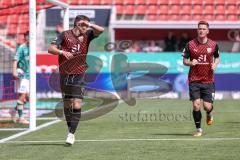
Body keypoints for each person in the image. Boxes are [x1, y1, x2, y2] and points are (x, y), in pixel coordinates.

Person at [48, 15, 104, 145]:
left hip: (79, 73)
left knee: (77, 104)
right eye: (84, 25)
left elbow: (101, 30)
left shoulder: (88, 34)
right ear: (77, 24)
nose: (86, 27)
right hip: (65, 73)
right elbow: (50, 49)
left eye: (87, 25)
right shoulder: (64, 35)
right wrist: (62, 53)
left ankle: (71, 134)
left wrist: (89, 25)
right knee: (67, 104)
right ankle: (70, 129)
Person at [182, 21, 220, 137]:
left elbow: (217, 57)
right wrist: (190, 62)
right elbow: (184, 61)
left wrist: (215, 64)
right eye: (199, 28)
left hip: (208, 80)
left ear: (207, 31)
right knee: (196, 105)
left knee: (207, 106)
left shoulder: (213, 45)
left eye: (204, 29)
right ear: (197, 30)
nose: (201, 30)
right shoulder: (190, 44)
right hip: (194, 79)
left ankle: (209, 113)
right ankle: (199, 129)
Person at [10, 31, 30, 124]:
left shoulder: (32, 48)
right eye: (28, 36)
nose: (29, 38)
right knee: (22, 96)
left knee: (29, 98)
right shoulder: (22, 47)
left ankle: (14, 111)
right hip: (22, 74)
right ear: (25, 37)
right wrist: (14, 72)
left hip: (29, 75)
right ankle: (21, 118)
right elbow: (15, 60)